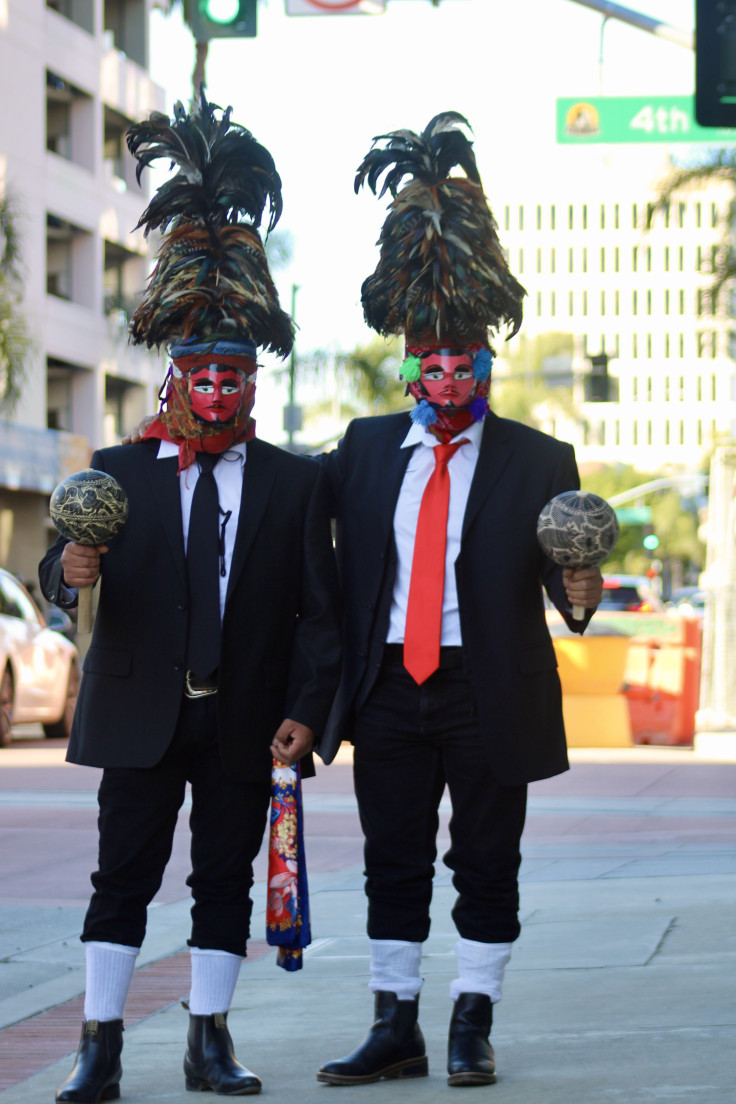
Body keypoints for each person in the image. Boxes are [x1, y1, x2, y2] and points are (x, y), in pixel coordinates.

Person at [38, 92, 340, 1103]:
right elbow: (58, 565)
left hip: (246, 717)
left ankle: (210, 1040)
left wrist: (304, 711)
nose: (219, 387)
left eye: (236, 372)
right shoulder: (117, 469)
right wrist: (66, 573)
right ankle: (99, 1047)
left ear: (255, 376)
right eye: (202, 371)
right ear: (175, 371)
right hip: (135, 713)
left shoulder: (297, 482)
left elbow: (320, 612)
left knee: (224, 881)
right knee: (119, 878)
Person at [313, 113, 603, 1088]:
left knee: (486, 863)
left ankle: (471, 1021)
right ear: (406, 363)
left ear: (487, 363)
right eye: (427, 361)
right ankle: (394, 1024)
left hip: (491, 690)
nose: (443, 376)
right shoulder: (356, 453)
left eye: (461, 361)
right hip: (389, 688)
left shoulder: (538, 460)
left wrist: (581, 585)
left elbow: (569, 590)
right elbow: (308, 571)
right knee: (391, 860)